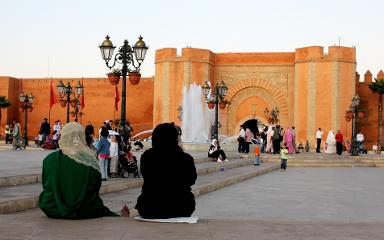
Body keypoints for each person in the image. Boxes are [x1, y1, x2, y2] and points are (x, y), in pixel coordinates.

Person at [39, 122, 119, 219]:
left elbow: (46, 184)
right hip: (85, 210)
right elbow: (95, 188)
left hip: (53, 208)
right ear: (82, 137)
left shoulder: (49, 160)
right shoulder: (90, 162)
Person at [135, 123, 197, 219]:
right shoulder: (186, 158)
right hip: (181, 207)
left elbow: (146, 176)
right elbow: (191, 180)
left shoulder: (147, 156)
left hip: (149, 208)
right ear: (175, 138)